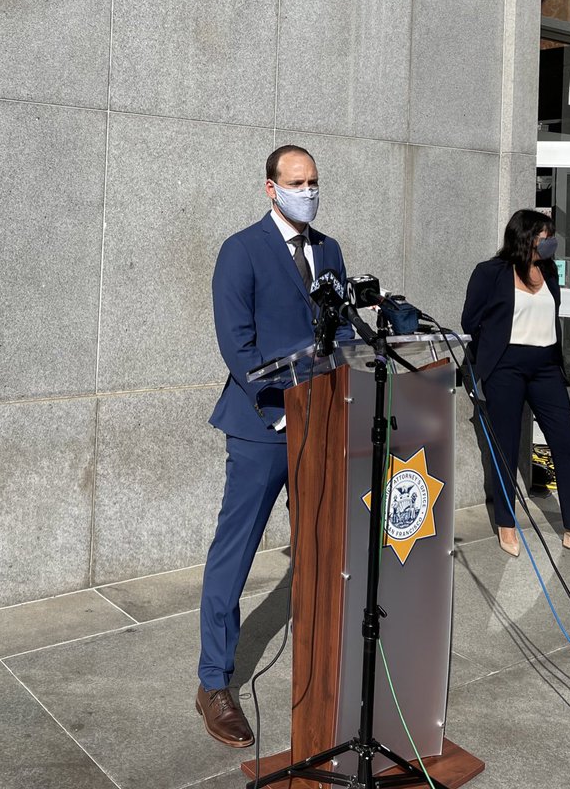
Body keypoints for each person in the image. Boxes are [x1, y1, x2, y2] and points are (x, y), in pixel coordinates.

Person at [195, 144, 351, 747]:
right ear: (270, 188)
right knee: (233, 554)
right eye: (296, 182)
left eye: (313, 181)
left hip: (325, 424)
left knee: (324, 544)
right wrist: (286, 406)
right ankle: (214, 682)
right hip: (264, 428)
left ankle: (330, 664)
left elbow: (337, 333)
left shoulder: (329, 250)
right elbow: (237, 345)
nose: (307, 191)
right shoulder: (242, 251)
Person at [461, 209, 570, 564]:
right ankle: (506, 523)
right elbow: (471, 321)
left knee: (565, 445)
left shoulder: (549, 270)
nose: (551, 241)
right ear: (525, 237)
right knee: (505, 447)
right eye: (545, 235)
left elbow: (551, 315)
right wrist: (492, 353)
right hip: (505, 367)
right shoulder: (490, 272)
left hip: (545, 368)